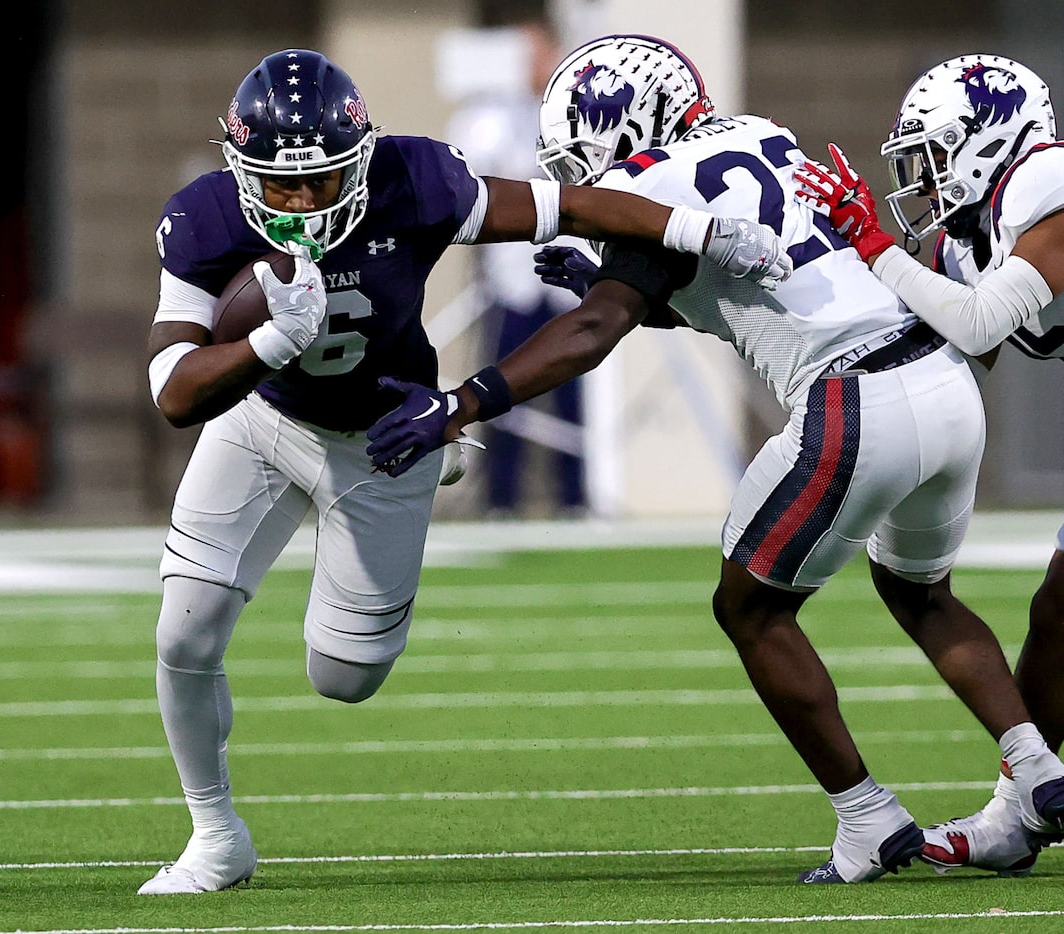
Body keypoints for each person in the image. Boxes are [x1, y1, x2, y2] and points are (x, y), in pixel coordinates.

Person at [365, 34, 1064, 884]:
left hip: (852, 401)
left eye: (581, 143)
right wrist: (610, 283)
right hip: (944, 384)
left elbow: (593, 333)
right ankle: (1035, 767)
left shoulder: (645, 180)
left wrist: (464, 400)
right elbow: (757, 295)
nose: (581, 166)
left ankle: (866, 820)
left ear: (617, 120)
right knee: (919, 591)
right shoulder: (758, 135)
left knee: (750, 608)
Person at [139, 47, 790, 895]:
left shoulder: (416, 181)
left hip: (389, 437)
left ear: (361, 158)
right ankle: (215, 835)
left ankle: (443, 456)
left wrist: (697, 231)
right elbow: (173, 394)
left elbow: (561, 206)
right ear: (240, 168)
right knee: (182, 634)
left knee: (342, 679)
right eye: (281, 185)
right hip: (262, 422)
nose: (300, 204)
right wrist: (265, 344)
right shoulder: (205, 218)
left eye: (323, 182)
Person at [794, 52, 1063, 876]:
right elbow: (916, 324)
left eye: (939, 150)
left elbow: (981, 324)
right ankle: (1023, 809)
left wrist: (875, 240)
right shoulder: (975, 230)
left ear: (993, 138)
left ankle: (1021, 808)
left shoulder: (1045, 178)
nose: (928, 175)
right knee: (1057, 617)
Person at [445, 17, 589, 516]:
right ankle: (499, 499)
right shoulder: (491, 114)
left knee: (572, 390)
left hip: (564, 279)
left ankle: (574, 499)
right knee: (503, 387)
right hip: (511, 280)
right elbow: (471, 168)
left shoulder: (575, 113)